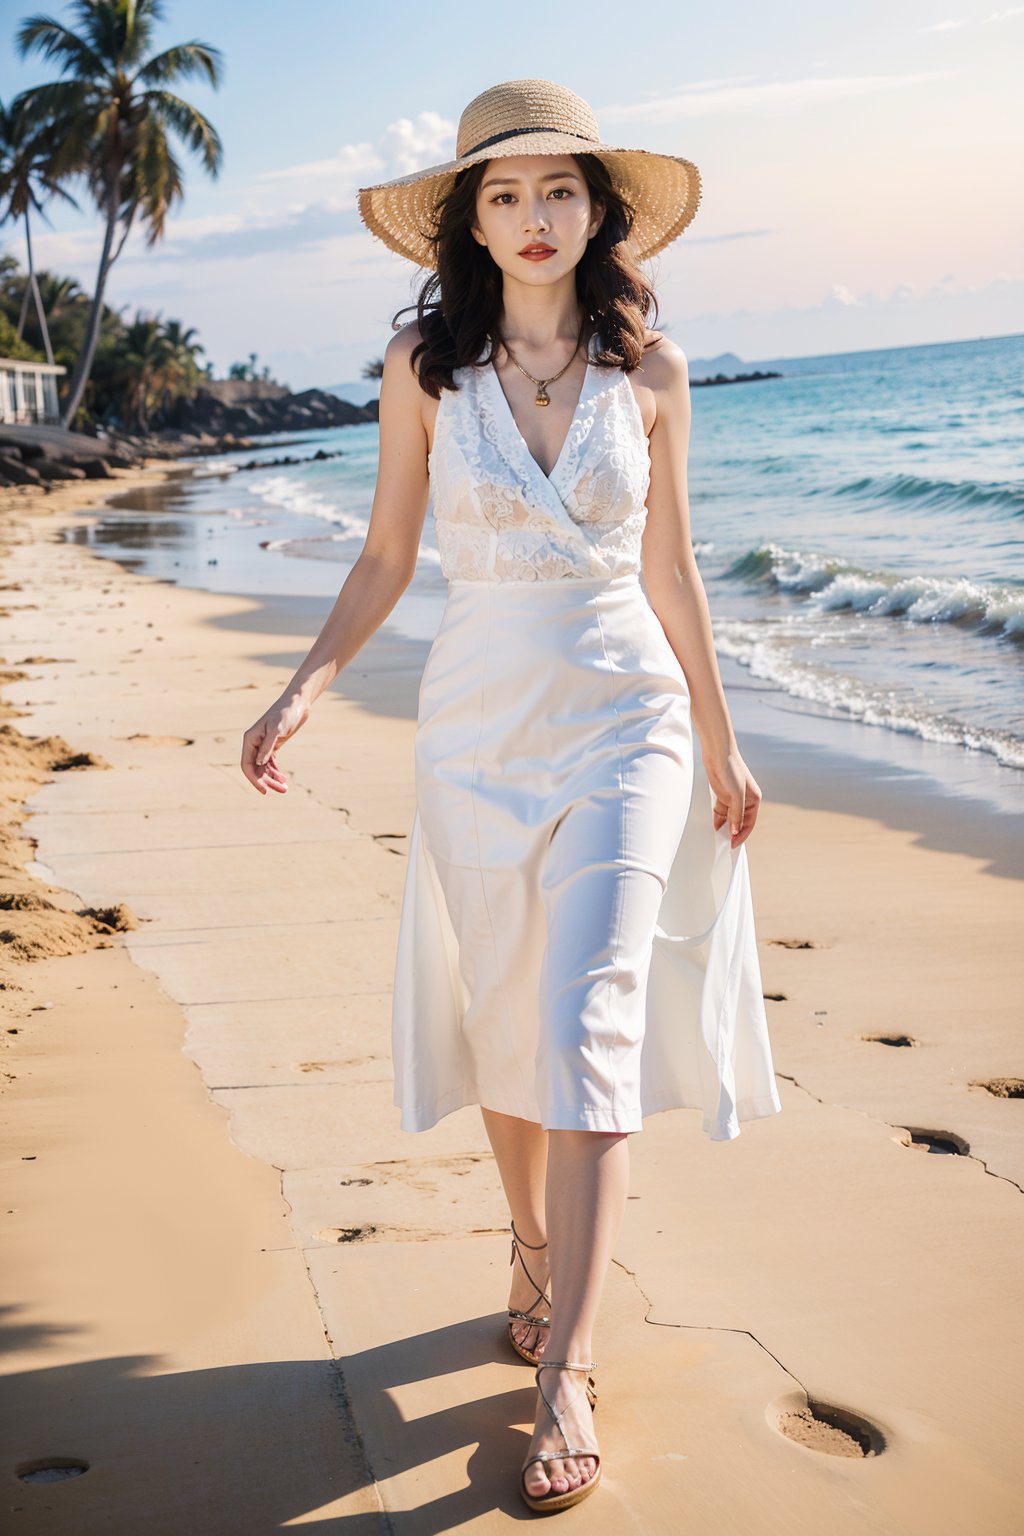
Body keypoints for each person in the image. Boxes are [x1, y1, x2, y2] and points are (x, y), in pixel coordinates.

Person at [241, 77, 782, 1516]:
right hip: (475, 726)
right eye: (503, 192)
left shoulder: (651, 376)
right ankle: (535, 1253)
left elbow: (673, 572)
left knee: (589, 1008)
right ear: (467, 221)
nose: (534, 218)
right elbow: (385, 553)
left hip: (626, 720)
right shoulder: (423, 369)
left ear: (598, 210)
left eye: (558, 191)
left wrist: (721, 743)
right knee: (504, 1020)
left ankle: (570, 1376)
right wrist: (302, 688)